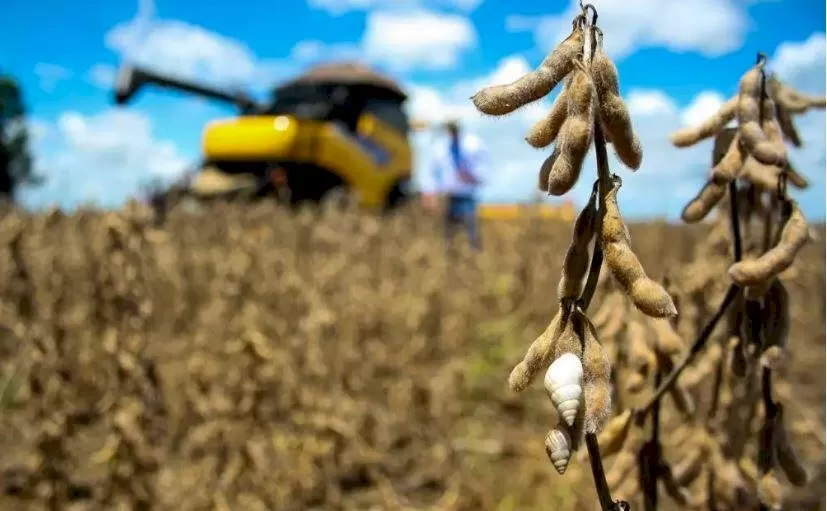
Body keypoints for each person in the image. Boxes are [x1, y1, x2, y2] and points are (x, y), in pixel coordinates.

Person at [420, 120, 489, 251]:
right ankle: (451, 263)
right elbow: (432, 173)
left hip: (466, 197)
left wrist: (471, 176)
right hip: (447, 199)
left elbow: (484, 171)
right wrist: (429, 193)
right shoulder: (441, 148)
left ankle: (472, 259)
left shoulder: (473, 145)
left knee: (471, 236)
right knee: (448, 237)